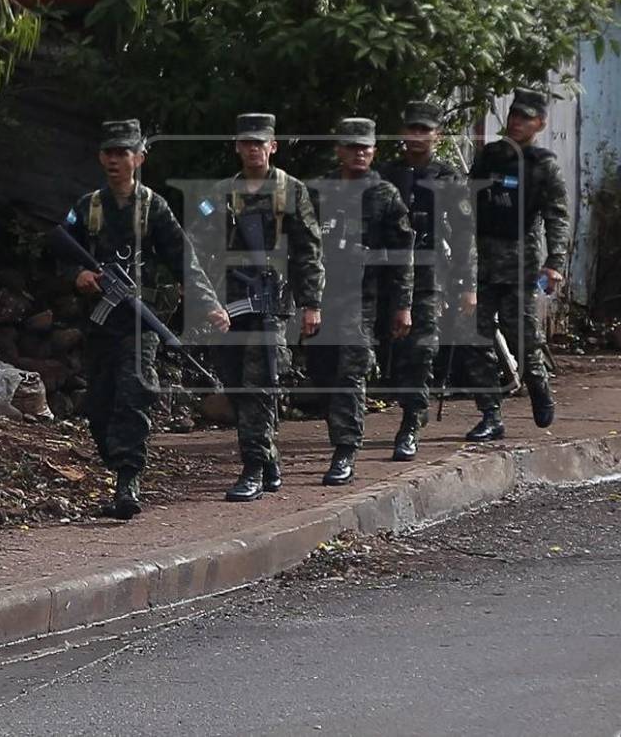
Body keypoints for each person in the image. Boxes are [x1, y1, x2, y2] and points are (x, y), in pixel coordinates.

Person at [62, 120, 228, 520]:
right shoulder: (87, 207)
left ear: (139, 158)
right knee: (99, 405)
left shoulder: (154, 207)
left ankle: (127, 481)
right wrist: (77, 276)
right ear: (101, 156)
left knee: (135, 390)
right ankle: (117, 463)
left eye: (124, 153)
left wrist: (209, 304)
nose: (116, 160)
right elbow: (60, 253)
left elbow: (182, 258)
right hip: (100, 322)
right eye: (110, 152)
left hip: (142, 320)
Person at [188, 113, 325, 502]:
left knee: (260, 385)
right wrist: (203, 296)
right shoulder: (218, 194)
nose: (252, 148)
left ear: (273, 146)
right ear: (236, 146)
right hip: (227, 303)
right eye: (245, 141)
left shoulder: (290, 191)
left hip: (269, 303)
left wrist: (311, 303)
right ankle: (268, 458)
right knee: (234, 384)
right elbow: (194, 244)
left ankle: (251, 467)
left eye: (259, 142)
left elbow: (308, 252)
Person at [306, 118, 414, 485]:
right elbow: (298, 244)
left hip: (363, 298)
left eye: (365, 147)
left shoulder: (385, 195)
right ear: (339, 150)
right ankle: (339, 435)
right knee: (321, 373)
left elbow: (403, 256)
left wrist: (403, 305)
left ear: (374, 151)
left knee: (349, 373)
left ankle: (346, 450)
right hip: (320, 297)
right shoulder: (318, 190)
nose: (358, 153)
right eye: (351, 147)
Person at [376, 100, 478, 460]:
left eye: (425, 130)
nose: (417, 136)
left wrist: (467, 284)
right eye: (412, 129)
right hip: (384, 273)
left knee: (421, 350)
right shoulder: (386, 174)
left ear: (437, 134)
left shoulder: (448, 178)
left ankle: (411, 422)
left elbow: (465, 234)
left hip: (429, 274)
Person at [465, 87, 569, 440]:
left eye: (526, 118)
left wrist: (554, 262)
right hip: (480, 260)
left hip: (520, 261)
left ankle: (537, 382)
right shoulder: (489, 157)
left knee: (522, 334)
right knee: (475, 337)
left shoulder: (543, 166)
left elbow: (557, 215)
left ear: (539, 123)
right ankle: (490, 413)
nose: (517, 123)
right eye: (514, 115)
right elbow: (469, 204)